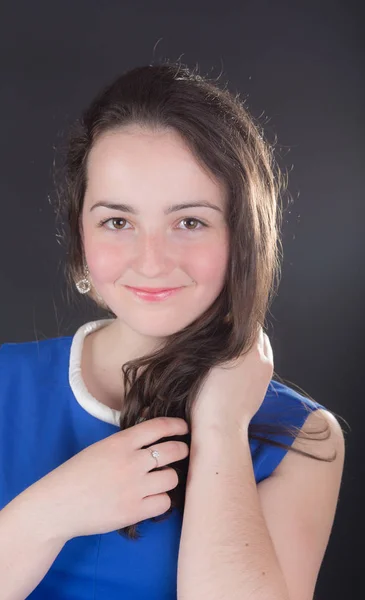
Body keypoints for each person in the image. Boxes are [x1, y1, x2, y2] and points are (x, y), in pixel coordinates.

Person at [0, 61, 345, 600]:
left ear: (242, 237)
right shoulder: (5, 382)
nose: (153, 260)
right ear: (81, 238)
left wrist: (222, 430)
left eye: (190, 221)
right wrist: (50, 512)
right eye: (118, 222)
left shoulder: (301, 439)